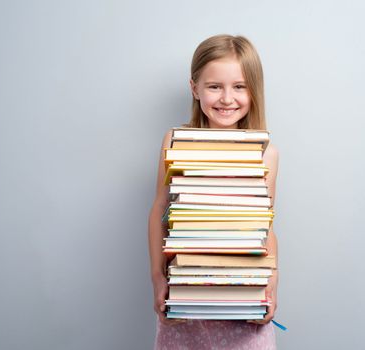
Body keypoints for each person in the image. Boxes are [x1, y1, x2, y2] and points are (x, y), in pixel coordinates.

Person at [148, 34, 279, 349]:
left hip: (245, 298)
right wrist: (158, 278)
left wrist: (271, 288)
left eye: (239, 86)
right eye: (214, 86)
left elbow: (266, 225)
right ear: (195, 89)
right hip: (187, 297)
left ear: (253, 90)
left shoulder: (266, 153)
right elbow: (159, 213)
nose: (226, 98)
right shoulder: (176, 142)